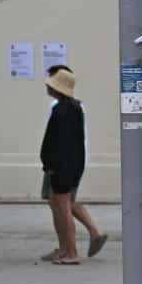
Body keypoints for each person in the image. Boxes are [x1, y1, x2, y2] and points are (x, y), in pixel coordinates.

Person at [39, 65, 105, 264]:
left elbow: (59, 141)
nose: (47, 86)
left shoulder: (62, 110)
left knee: (63, 208)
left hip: (62, 166)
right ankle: (67, 250)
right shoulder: (72, 108)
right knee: (61, 206)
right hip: (68, 164)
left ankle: (71, 252)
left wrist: (52, 164)